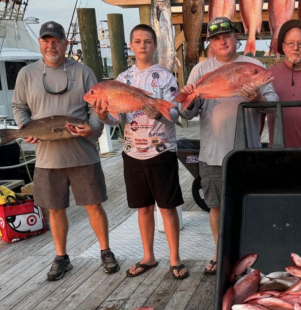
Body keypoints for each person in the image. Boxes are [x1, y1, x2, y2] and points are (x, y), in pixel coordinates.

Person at [12, 21, 119, 281]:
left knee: (94, 205)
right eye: (46, 40)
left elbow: (97, 110)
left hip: (83, 154)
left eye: (56, 40)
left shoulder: (83, 72)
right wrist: (25, 128)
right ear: (39, 43)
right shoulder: (26, 74)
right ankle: (61, 257)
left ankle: (106, 250)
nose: (51, 45)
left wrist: (92, 130)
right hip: (47, 158)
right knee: (55, 209)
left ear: (65, 43)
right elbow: (19, 106)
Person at [178, 17, 278, 274]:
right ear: (210, 43)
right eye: (216, 38)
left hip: (248, 151)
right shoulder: (200, 70)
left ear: (236, 38)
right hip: (212, 153)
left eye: (227, 35)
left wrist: (257, 97)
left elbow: (272, 104)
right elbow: (187, 114)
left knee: (250, 203)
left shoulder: (254, 65)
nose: (222, 41)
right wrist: (189, 97)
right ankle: (219, 251)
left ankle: (251, 250)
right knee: (215, 206)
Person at [90, 24, 187, 280]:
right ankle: (148, 256)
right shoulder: (121, 80)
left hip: (161, 150)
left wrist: (161, 113)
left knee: (167, 207)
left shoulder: (166, 77)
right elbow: (115, 121)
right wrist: (102, 114)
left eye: (147, 41)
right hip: (132, 152)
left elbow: (175, 114)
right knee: (143, 208)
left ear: (155, 46)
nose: (142, 45)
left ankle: (175, 258)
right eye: (137, 41)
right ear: (131, 46)